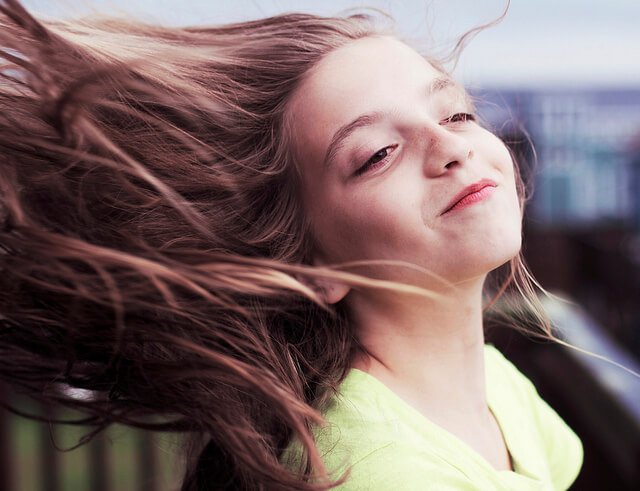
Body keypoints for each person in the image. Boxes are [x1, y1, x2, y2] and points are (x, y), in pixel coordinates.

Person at [0, 0, 583, 489]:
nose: (449, 145)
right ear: (311, 268)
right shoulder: (375, 470)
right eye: (378, 154)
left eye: (457, 112)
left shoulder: (500, 385)